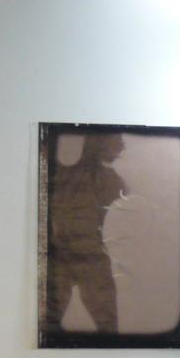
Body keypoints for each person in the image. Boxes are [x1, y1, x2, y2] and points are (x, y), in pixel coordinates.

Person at [47, 134, 127, 333]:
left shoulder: (106, 179)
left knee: (48, 325)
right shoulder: (109, 179)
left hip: (79, 256)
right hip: (78, 257)